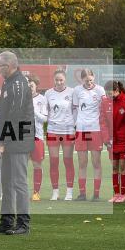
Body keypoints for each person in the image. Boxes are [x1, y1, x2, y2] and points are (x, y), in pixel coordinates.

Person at [0, 51, 34, 235]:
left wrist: (2, 141)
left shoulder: (20, 84)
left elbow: (15, 116)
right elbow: (4, 108)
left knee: (19, 182)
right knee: (6, 181)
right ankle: (6, 221)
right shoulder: (8, 82)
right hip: (10, 138)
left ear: (10, 65)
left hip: (19, 140)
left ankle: (23, 223)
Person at [72, 68, 108, 201]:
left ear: (94, 77)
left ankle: (96, 194)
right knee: (82, 162)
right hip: (81, 130)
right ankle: (82, 194)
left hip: (96, 129)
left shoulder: (100, 90)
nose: (89, 82)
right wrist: (75, 124)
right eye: (86, 80)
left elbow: (104, 110)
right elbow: (75, 109)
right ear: (82, 79)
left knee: (96, 162)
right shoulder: (77, 90)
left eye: (91, 80)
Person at [45, 69, 76, 201]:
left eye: (61, 80)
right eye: (56, 80)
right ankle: (55, 192)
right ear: (54, 80)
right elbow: (45, 111)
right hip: (53, 130)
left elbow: (76, 109)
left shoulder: (72, 92)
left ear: (65, 80)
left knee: (68, 161)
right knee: (53, 161)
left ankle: (69, 192)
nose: (59, 82)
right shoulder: (48, 93)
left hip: (68, 131)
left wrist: (72, 123)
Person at [106, 80, 125, 203]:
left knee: (123, 166)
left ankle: (123, 195)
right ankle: (116, 194)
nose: (108, 96)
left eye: (110, 93)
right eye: (107, 94)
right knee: (114, 167)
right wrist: (106, 138)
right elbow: (103, 122)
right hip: (112, 141)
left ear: (117, 90)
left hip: (124, 140)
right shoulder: (105, 102)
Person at [29, 75, 48, 201]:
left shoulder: (42, 99)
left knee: (37, 165)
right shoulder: (20, 99)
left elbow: (45, 118)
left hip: (37, 136)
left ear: (36, 86)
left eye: (31, 85)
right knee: (21, 165)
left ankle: (36, 192)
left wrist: (33, 111)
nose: (29, 88)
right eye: (27, 85)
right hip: (22, 136)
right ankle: (20, 192)